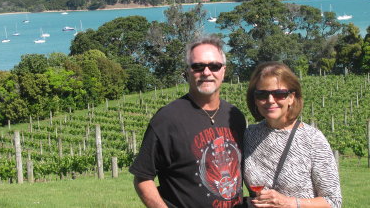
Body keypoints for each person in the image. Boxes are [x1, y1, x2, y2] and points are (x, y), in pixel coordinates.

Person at [129, 35, 246, 208]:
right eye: (198, 66)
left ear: (223, 71)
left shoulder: (235, 116)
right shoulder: (167, 119)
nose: (206, 72)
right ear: (188, 71)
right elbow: (142, 177)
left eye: (214, 66)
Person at [244, 61, 342, 208]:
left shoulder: (312, 139)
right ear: (255, 99)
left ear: (291, 97)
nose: (270, 100)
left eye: (279, 94)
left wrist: (289, 202)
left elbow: (333, 201)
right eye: (262, 94)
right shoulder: (249, 136)